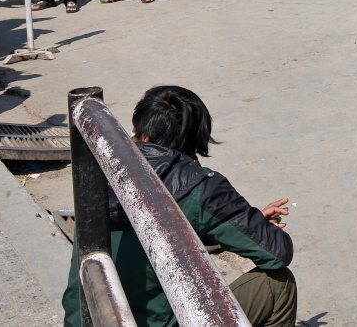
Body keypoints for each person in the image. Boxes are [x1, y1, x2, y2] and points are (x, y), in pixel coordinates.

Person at [61, 86, 297, 327]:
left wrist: (241, 221)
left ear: (141, 132)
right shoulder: (201, 188)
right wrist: (248, 223)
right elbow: (277, 254)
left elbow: (148, 231)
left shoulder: (100, 165)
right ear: (196, 140)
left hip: (88, 320)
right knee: (278, 285)